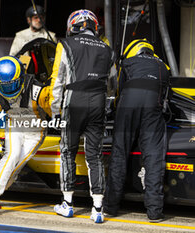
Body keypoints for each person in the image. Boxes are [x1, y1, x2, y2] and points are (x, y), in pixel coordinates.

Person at [49, 10, 113, 223]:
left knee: (68, 150)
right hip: (98, 101)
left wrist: (54, 111)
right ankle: (97, 208)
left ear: (73, 26)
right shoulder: (107, 48)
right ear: (94, 26)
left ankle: (67, 203)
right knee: (94, 155)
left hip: (74, 101)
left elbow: (57, 80)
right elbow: (112, 84)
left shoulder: (65, 44)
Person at [104, 39, 170, 223]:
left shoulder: (128, 62)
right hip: (152, 107)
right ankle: (155, 212)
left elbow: (118, 91)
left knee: (119, 154)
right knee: (154, 157)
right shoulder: (164, 66)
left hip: (128, 105)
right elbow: (166, 97)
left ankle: (110, 206)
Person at [0, 56, 53, 218]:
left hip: (35, 131)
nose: (9, 90)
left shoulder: (38, 91)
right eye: (4, 86)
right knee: (10, 157)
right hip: (14, 125)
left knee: (15, 167)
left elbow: (53, 114)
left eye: (13, 84)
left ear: (21, 78)